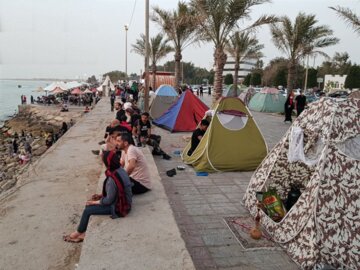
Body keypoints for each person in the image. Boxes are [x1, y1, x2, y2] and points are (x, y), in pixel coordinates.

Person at [63, 151, 132, 243]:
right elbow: (116, 190)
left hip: (119, 206)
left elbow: (108, 201)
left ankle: (78, 233)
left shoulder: (112, 178)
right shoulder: (120, 169)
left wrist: (93, 202)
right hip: (125, 201)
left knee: (88, 209)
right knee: (91, 205)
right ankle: (82, 232)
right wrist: (100, 196)